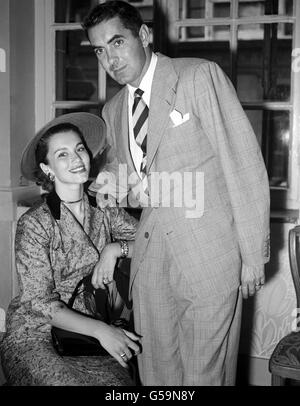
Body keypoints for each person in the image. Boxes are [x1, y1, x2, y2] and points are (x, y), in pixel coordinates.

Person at [82, 1, 270, 386]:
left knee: (206, 375)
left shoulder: (199, 76)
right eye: (100, 50)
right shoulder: (114, 108)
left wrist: (252, 256)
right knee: (156, 376)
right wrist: (77, 178)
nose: (110, 59)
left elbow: (243, 163)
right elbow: (127, 186)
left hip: (209, 257)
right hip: (150, 265)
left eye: (117, 42)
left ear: (145, 36)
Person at [0, 112, 141, 386]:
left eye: (79, 149)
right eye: (62, 154)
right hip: (35, 334)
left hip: (87, 337)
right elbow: (40, 303)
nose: (76, 159)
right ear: (47, 169)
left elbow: (153, 241)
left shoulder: (104, 207)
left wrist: (116, 249)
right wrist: (103, 331)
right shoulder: (35, 223)